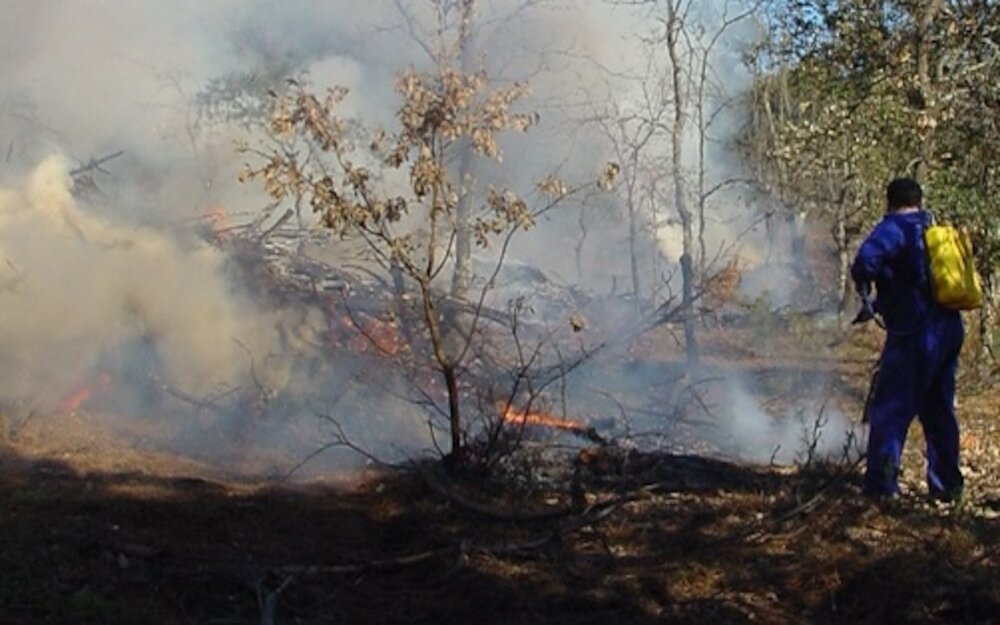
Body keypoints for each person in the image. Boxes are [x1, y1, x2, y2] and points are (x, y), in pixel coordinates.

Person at [850, 177, 964, 500]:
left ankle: (881, 487)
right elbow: (912, 277)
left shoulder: (894, 227)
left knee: (891, 407)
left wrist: (864, 286)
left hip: (917, 333)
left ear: (889, 201)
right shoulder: (931, 228)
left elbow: (865, 261)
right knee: (939, 408)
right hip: (949, 329)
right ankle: (947, 487)